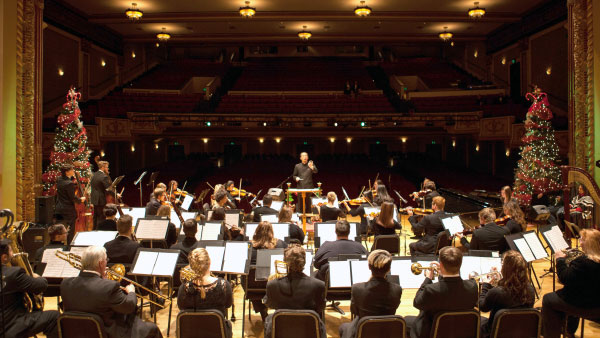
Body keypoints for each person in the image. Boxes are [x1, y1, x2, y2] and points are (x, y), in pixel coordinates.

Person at [60, 246, 162, 338]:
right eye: (106, 260)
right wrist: (131, 292)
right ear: (100, 263)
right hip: (107, 333)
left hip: (75, 332)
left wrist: (104, 281)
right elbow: (129, 307)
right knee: (153, 329)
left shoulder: (66, 284)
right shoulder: (109, 286)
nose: (106, 262)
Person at [405, 246, 478, 338]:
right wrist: (442, 274)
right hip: (461, 331)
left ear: (441, 265)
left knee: (406, 321)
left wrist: (428, 278)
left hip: (433, 332)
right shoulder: (472, 286)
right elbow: (453, 290)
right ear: (460, 264)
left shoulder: (431, 290)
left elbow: (417, 303)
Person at [542, 229, 600, 338]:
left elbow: (564, 278)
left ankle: (552, 334)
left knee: (548, 299)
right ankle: (569, 330)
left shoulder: (583, 261)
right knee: (576, 289)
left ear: (588, 244)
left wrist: (559, 260)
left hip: (587, 306)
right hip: (597, 303)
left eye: (581, 239)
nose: (579, 241)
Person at [263, 245, 326, 338]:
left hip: (281, 331)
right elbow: (320, 307)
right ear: (304, 262)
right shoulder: (319, 285)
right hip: (308, 330)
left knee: (269, 319)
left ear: (285, 262)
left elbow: (270, 304)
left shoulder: (272, 285)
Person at [0, 239, 59, 338]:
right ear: (4, 257)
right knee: (54, 316)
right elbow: (41, 286)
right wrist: (36, 276)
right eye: (11, 251)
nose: (13, 254)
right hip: (10, 326)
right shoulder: (14, 273)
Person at [339, 250, 402, 338]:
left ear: (369, 267)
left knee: (343, 327)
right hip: (387, 331)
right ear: (388, 269)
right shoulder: (397, 289)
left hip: (364, 330)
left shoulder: (357, 288)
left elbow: (354, 311)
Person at [177, 248, 233, 338]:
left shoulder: (183, 289)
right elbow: (228, 304)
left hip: (192, 334)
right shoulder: (224, 285)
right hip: (217, 334)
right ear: (209, 262)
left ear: (191, 265)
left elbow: (181, 307)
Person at [478, 250, 535, 338]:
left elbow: (482, 306)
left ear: (505, 268)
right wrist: (502, 280)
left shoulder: (497, 292)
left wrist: (485, 286)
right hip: (520, 332)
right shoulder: (530, 289)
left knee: (474, 322)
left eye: (502, 263)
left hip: (495, 332)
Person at [248, 221, 288, 320]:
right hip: (276, 285)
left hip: (252, 287)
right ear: (271, 232)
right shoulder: (280, 243)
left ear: (256, 232)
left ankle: (262, 309)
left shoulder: (249, 246)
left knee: (249, 276)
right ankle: (278, 310)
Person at [55, 164, 85, 242]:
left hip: (59, 208)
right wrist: (81, 200)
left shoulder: (59, 179)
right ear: (67, 172)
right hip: (68, 209)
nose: (73, 171)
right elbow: (72, 197)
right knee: (70, 229)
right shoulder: (69, 183)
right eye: (72, 170)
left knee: (61, 229)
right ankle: (69, 246)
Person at [91, 160, 113, 228]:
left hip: (94, 199)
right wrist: (115, 194)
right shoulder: (103, 176)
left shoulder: (94, 175)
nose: (107, 169)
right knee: (101, 217)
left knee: (95, 216)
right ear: (103, 167)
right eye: (107, 167)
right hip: (100, 199)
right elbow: (108, 189)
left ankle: (94, 230)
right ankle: (100, 230)